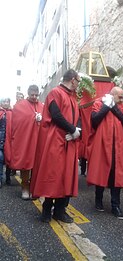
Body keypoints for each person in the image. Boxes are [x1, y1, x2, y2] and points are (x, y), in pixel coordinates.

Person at [30, 69, 81, 223]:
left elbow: (77, 118)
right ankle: (47, 209)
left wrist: (76, 131)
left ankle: (60, 210)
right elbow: (56, 114)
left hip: (69, 140)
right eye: (78, 81)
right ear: (72, 80)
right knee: (54, 175)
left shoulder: (72, 97)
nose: (79, 84)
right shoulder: (55, 92)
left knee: (67, 176)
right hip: (56, 140)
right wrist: (72, 129)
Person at [87, 87, 123, 220]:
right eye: (120, 96)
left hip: (117, 146)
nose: (122, 99)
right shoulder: (98, 103)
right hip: (102, 144)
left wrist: (114, 107)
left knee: (116, 175)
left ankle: (115, 205)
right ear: (112, 95)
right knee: (101, 172)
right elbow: (95, 121)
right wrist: (106, 106)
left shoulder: (122, 107)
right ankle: (98, 199)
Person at [10, 85, 43, 199]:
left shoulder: (42, 106)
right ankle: (25, 187)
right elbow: (17, 122)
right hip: (25, 140)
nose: (34, 97)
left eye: (36, 95)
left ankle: (33, 188)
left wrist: (41, 119)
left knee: (36, 165)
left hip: (38, 141)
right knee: (25, 164)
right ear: (28, 93)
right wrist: (32, 119)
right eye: (32, 95)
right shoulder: (20, 106)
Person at [0, 98, 12, 186]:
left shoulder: (12, 113)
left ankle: (8, 177)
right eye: (4, 101)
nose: (6, 103)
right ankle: (0, 178)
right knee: (0, 159)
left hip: (10, 140)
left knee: (9, 160)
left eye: (7, 101)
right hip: (0, 140)